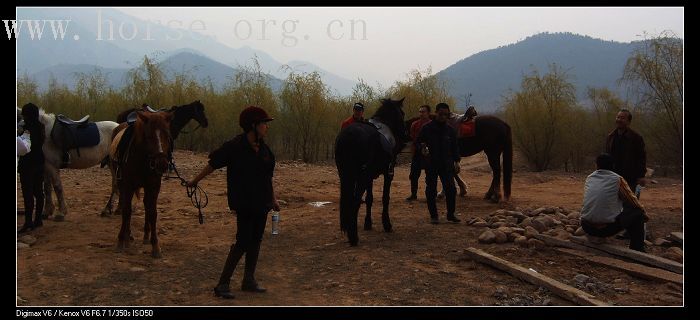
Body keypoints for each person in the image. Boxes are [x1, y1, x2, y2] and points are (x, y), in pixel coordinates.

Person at [187, 106, 281, 299]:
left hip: (262, 203)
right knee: (243, 241)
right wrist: (195, 181)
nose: (266, 127)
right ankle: (222, 284)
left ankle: (249, 280)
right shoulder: (234, 146)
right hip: (244, 203)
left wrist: (273, 199)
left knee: (256, 240)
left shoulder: (264, 149)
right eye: (264, 124)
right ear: (253, 126)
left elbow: (268, 176)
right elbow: (212, 164)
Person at [580, 153, 648, 252]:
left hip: (586, 226)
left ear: (597, 165)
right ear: (613, 166)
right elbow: (633, 200)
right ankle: (637, 248)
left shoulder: (589, 177)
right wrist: (645, 215)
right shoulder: (617, 179)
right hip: (605, 230)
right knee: (637, 212)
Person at [605, 109, 648, 239]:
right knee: (615, 203)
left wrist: (641, 176)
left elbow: (642, 157)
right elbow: (607, 156)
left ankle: (630, 231)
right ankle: (615, 227)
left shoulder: (636, 138)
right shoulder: (611, 137)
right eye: (618, 117)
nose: (619, 120)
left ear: (628, 121)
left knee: (631, 204)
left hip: (630, 176)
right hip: (613, 176)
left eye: (622, 118)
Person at [418, 102, 461, 224]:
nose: (443, 116)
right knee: (431, 190)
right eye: (441, 114)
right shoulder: (427, 128)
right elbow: (418, 142)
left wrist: (457, 161)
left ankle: (451, 214)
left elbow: (455, 148)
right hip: (431, 164)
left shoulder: (450, 130)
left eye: (446, 115)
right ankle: (434, 216)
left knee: (451, 190)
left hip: (447, 164)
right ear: (436, 113)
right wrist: (422, 148)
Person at [18, 103, 46, 233]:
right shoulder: (41, 127)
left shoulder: (25, 128)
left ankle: (29, 221)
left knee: (28, 193)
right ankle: (38, 219)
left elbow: (24, 148)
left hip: (27, 164)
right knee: (39, 192)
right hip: (40, 162)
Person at [406, 105, 432, 201]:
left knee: (430, 175)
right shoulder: (414, 124)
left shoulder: (432, 125)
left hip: (429, 154)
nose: (421, 113)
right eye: (420, 111)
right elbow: (413, 138)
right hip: (417, 152)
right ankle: (413, 194)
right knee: (413, 175)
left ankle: (430, 195)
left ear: (428, 113)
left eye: (423, 112)